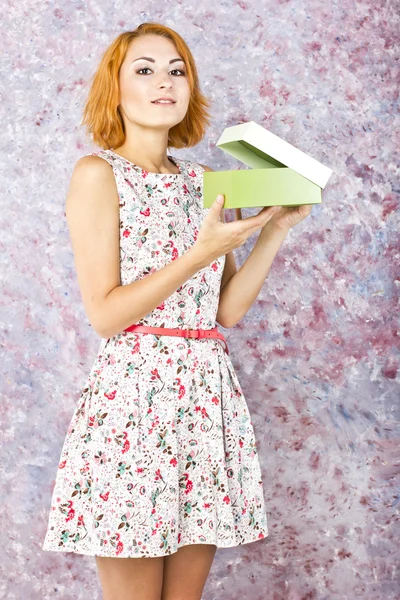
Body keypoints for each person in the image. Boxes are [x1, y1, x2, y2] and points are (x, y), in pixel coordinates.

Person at [42, 22, 312, 600]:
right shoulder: (98, 175)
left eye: (176, 70)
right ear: (114, 89)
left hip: (204, 398)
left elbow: (226, 311)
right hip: (135, 404)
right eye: (144, 70)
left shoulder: (203, 183)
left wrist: (274, 231)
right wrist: (200, 253)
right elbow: (107, 315)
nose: (164, 82)